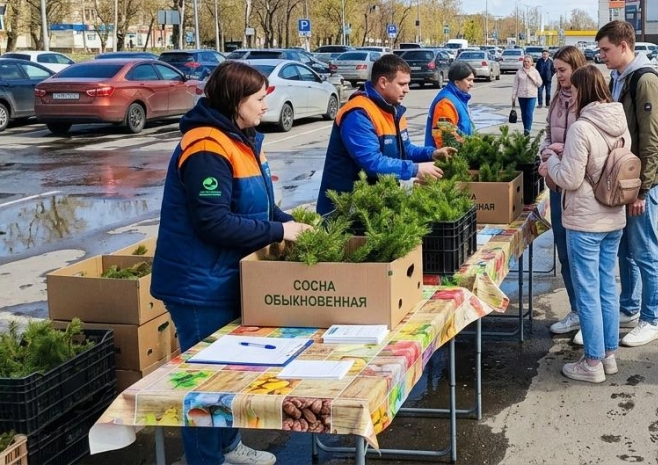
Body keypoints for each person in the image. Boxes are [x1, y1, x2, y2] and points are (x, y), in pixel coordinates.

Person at [152, 61, 311, 465]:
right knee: (205, 383)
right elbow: (213, 222)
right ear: (235, 101)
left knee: (231, 372)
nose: (265, 105)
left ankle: (228, 446)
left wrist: (293, 223)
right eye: (259, 99)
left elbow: (261, 206)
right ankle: (205, 458)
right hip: (198, 285)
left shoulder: (241, 139)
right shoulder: (206, 147)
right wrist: (279, 232)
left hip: (224, 276)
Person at [541, 65, 631, 383]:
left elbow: (569, 178)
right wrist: (565, 153)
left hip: (585, 220)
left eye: (575, 90)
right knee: (607, 288)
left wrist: (550, 161)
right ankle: (607, 355)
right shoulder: (619, 122)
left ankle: (592, 362)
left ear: (584, 90)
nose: (572, 95)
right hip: (614, 216)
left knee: (588, 292)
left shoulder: (582, 127)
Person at [595, 20, 658, 348]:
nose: (602, 56)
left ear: (624, 46)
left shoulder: (645, 80)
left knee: (645, 250)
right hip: (625, 180)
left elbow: (652, 142)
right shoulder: (619, 77)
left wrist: (643, 190)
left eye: (606, 50)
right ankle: (629, 308)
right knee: (625, 248)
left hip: (640, 183)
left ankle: (651, 319)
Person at [317, 54, 453, 215]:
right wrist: (415, 169)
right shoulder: (359, 113)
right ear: (383, 82)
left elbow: (405, 149)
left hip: (377, 203)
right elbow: (371, 162)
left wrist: (432, 153)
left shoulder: (393, 110)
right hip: (346, 209)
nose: (407, 90)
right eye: (402, 84)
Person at [541, 45, 588, 336]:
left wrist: (560, 150)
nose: (558, 76)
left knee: (583, 257)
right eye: (556, 71)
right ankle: (576, 311)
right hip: (557, 186)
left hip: (582, 190)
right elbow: (548, 134)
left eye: (562, 70)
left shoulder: (589, 99)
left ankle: (590, 319)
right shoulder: (557, 98)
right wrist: (546, 154)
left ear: (576, 68)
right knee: (565, 253)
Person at [426, 61, 476, 148]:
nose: (472, 84)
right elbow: (443, 137)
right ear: (457, 82)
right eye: (469, 80)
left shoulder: (459, 98)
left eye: (473, 80)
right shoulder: (445, 103)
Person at [512, 55, 544, 135]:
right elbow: (515, 84)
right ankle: (525, 128)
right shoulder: (519, 72)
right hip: (521, 95)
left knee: (529, 112)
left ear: (532, 63)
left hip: (531, 96)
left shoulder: (535, 72)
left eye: (528, 61)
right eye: (525, 61)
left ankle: (528, 129)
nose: (526, 63)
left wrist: (533, 78)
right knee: (523, 113)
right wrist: (513, 96)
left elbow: (540, 84)